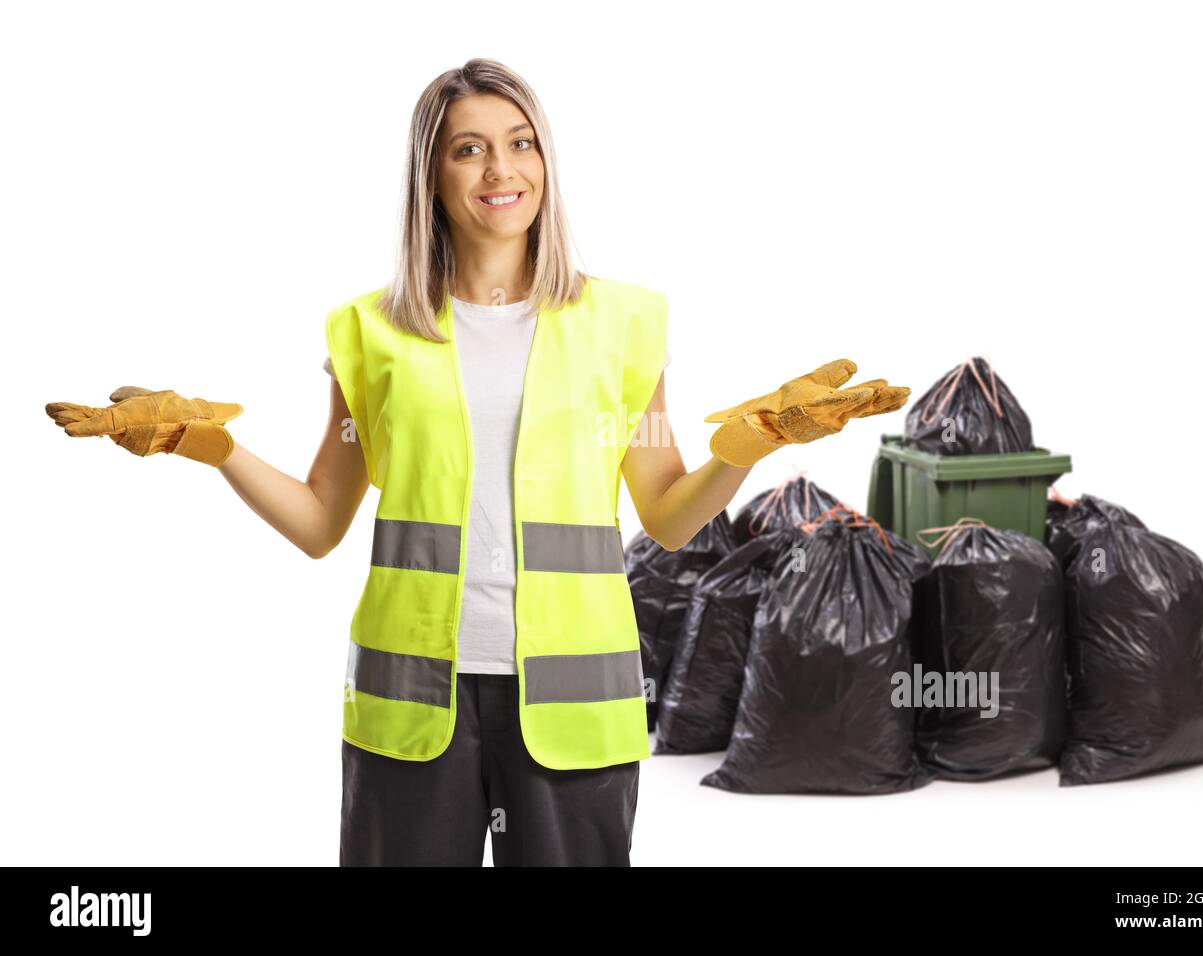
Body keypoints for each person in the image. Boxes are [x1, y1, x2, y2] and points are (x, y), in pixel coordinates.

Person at [44, 58, 909, 867]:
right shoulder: (372, 333)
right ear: (433, 176)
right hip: (412, 702)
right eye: (469, 149)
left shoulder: (622, 326)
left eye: (520, 143)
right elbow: (320, 523)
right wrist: (213, 448)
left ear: (545, 163)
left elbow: (667, 515)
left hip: (576, 708)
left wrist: (750, 440)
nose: (502, 169)